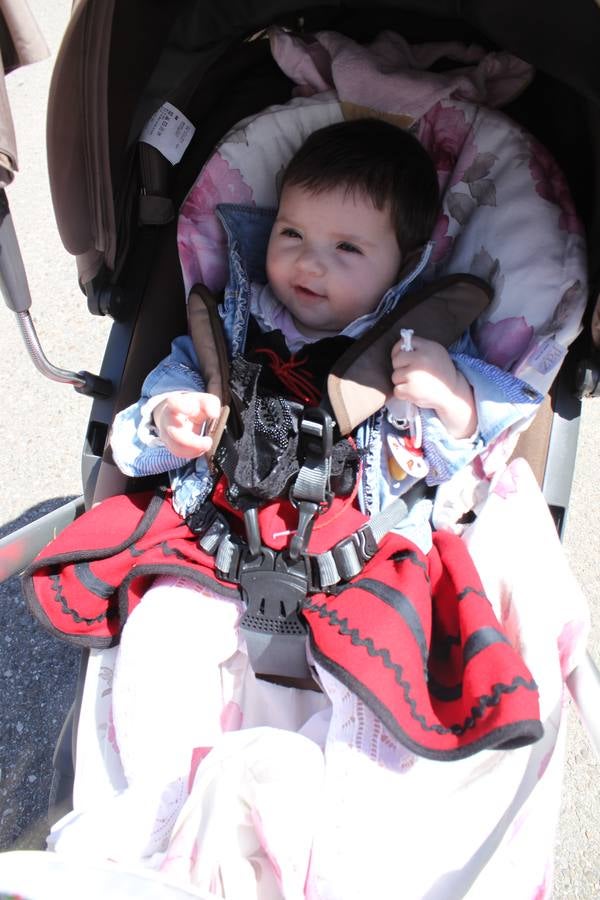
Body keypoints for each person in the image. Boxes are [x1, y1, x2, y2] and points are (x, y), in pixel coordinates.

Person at [48, 119, 544, 893]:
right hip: (217, 540)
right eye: (291, 232)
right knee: (158, 639)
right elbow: (142, 434)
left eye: (348, 249)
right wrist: (166, 422)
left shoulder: (414, 348)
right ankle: (151, 830)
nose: (310, 261)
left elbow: (471, 459)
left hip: (362, 559)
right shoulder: (229, 328)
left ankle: (341, 859)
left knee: (382, 700)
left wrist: (453, 399)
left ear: (402, 266)